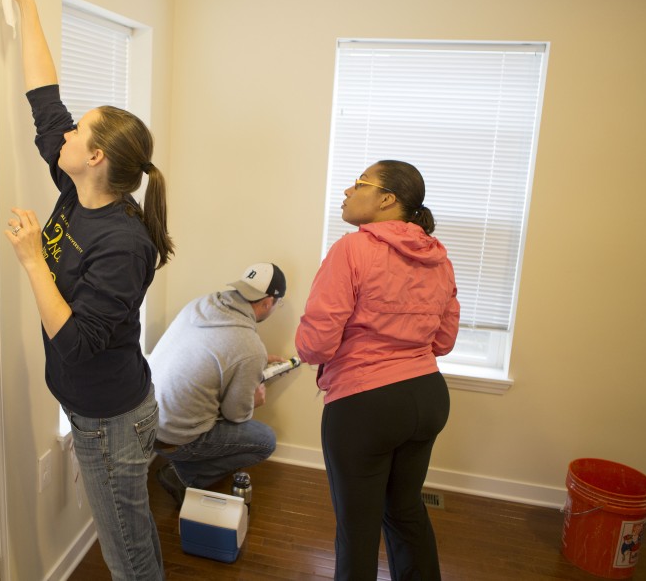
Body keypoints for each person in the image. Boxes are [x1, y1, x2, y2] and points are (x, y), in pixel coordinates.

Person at [0, 0, 174, 581]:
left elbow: (74, 344)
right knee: (130, 536)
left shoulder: (123, 244)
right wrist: (26, 1)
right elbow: (45, 102)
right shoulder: (79, 191)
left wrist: (29, 259)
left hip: (111, 423)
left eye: (80, 132)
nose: (64, 134)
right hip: (93, 411)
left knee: (124, 555)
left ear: (95, 156)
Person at [294, 161, 459, 581]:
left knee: (358, 528)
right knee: (406, 512)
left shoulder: (352, 249)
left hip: (365, 404)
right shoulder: (439, 258)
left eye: (358, 183)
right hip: (427, 396)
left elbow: (315, 345)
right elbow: (443, 342)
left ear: (387, 199)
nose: (347, 191)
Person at [149, 262, 288, 505]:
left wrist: (257, 362)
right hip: (175, 438)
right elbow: (235, 415)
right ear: (268, 302)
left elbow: (215, 353)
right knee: (265, 441)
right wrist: (254, 401)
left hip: (147, 422)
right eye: (278, 303)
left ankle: (184, 463)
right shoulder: (249, 346)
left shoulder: (202, 304)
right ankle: (181, 476)